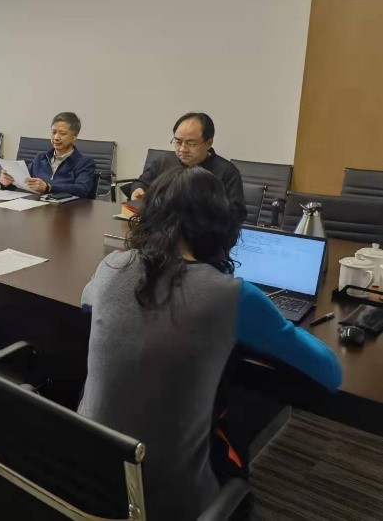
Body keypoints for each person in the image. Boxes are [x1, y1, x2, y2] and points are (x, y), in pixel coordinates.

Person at [78, 166, 341, 520]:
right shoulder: (233, 295)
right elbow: (330, 371)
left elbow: (87, 302)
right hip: (169, 501)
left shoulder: (112, 264)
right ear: (221, 226)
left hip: (85, 471)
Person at [129, 112, 246, 221]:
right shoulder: (165, 161)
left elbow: (237, 213)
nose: (182, 149)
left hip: (203, 231)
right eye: (178, 142)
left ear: (209, 143)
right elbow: (141, 183)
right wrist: (138, 189)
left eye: (191, 144)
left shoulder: (227, 171)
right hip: (163, 227)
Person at [0, 112, 96, 198]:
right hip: (36, 206)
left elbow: (82, 189)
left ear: (75, 136)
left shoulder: (84, 162)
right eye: (53, 132)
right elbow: (24, 183)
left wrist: (48, 187)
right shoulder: (41, 158)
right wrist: (8, 183)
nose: (56, 137)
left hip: (66, 209)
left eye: (62, 133)